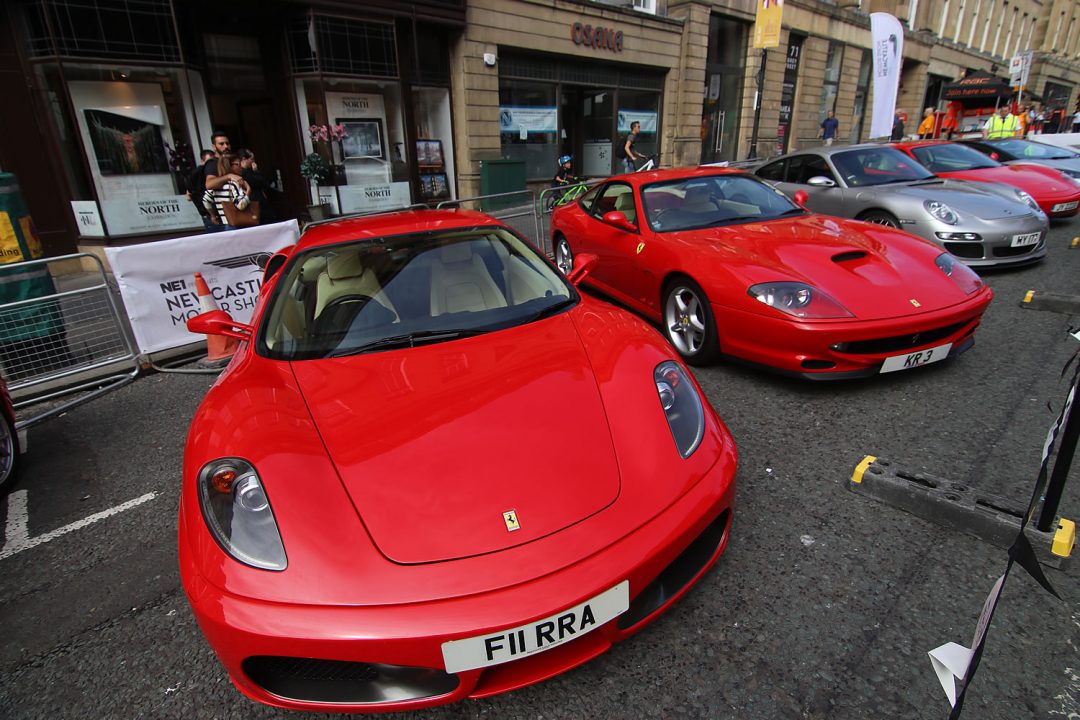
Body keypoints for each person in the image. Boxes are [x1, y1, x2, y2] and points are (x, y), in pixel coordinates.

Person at [205, 153, 252, 229]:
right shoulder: (234, 184)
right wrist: (248, 191)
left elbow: (205, 200)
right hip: (238, 224)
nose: (241, 167)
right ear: (230, 166)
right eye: (238, 164)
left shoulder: (217, 186)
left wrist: (213, 216)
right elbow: (240, 205)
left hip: (225, 224)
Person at [237, 148, 275, 224]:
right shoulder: (244, 173)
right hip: (255, 203)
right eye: (252, 159)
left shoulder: (247, 171)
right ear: (244, 159)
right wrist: (256, 171)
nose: (253, 162)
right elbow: (262, 182)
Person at [186, 149, 216, 229]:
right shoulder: (202, 172)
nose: (211, 164)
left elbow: (189, 195)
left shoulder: (194, 173)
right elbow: (189, 195)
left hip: (206, 212)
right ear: (203, 160)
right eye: (210, 161)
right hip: (210, 211)